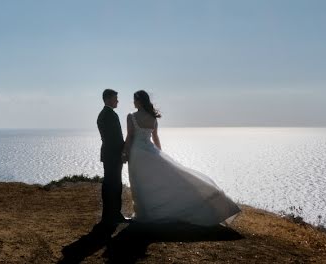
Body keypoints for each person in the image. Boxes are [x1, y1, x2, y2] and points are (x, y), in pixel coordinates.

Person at [123, 90, 240, 226]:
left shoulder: (131, 116)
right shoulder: (152, 117)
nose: (133, 102)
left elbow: (130, 136)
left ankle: (143, 214)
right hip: (150, 152)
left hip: (137, 153)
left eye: (134, 100)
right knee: (153, 182)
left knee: (139, 183)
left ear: (139, 101)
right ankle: (146, 214)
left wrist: (125, 153)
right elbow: (155, 138)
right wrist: (160, 155)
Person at [96, 88, 129, 224]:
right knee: (114, 184)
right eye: (115, 98)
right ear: (108, 99)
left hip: (109, 154)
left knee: (109, 184)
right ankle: (114, 215)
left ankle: (109, 214)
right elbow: (115, 138)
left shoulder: (103, 114)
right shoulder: (110, 115)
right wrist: (123, 152)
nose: (117, 101)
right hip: (113, 155)